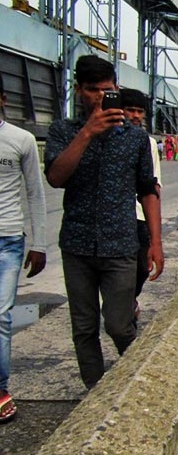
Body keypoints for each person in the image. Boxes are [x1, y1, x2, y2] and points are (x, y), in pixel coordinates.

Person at [44, 55, 163, 390]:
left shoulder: (135, 139)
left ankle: (138, 384)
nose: (98, 97)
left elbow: (148, 190)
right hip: (77, 245)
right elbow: (55, 177)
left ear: (116, 89)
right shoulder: (62, 131)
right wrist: (87, 133)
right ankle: (96, 394)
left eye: (106, 90)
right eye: (92, 90)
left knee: (119, 325)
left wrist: (156, 243)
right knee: (83, 327)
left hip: (121, 245)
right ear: (79, 89)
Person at [0, 73, 47, 423]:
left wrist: (39, 242)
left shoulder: (21, 140)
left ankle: (1, 389)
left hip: (8, 239)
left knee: (0, 317)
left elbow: (35, 192)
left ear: (2, 99)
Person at [120, 88, 162, 327]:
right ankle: (124, 315)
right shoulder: (104, 136)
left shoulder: (148, 143)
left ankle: (130, 302)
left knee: (141, 269)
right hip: (118, 217)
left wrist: (156, 237)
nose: (136, 116)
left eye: (140, 112)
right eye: (131, 110)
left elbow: (154, 190)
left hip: (140, 217)